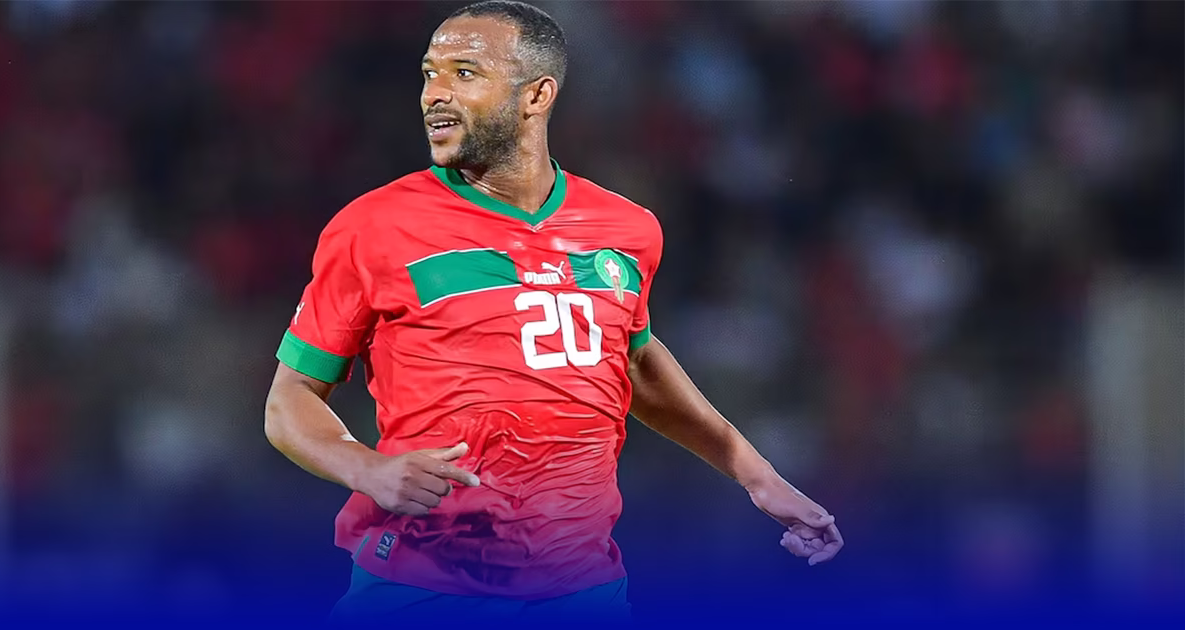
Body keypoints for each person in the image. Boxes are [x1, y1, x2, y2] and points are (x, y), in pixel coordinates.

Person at [264, 0, 842, 624]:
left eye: (464, 73)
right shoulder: (373, 227)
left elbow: (633, 361)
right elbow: (289, 400)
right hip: (421, 589)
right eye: (430, 73)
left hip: (583, 592)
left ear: (537, 95)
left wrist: (757, 476)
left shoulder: (627, 229)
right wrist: (368, 469)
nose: (435, 94)